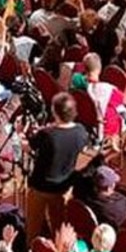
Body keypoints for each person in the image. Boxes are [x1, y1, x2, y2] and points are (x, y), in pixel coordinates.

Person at [25, 92, 88, 240]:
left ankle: (31, 249)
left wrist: (21, 134)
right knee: (58, 225)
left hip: (40, 186)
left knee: (33, 226)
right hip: (63, 187)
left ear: (54, 112)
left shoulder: (47, 135)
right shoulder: (81, 132)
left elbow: (28, 147)